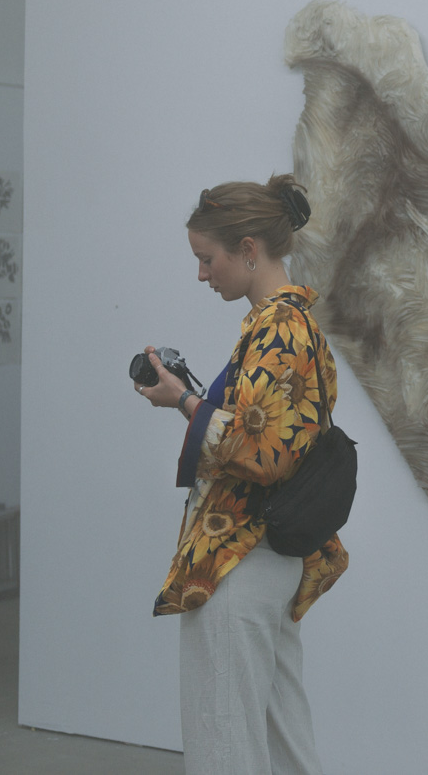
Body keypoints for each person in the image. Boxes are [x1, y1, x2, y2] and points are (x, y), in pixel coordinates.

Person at [134, 173, 347, 775]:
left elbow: (265, 453)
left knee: (224, 742)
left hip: (238, 557)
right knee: (282, 741)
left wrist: (181, 401)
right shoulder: (291, 324)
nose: (202, 274)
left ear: (248, 249)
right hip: (271, 554)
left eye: (208, 259)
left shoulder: (277, 329)